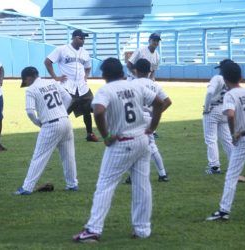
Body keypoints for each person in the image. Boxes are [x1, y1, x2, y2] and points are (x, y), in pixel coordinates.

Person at [73, 58, 163, 242]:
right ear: (121, 72)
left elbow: (98, 111)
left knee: (105, 185)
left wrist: (105, 136)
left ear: (105, 74)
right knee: (142, 185)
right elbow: (160, 103)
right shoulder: (135, 85)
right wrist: (152, 127)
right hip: (142, 139)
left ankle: (93, 229)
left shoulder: (106, 90)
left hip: (122, 142)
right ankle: (142, 230)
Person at [206, 62, 245, 221]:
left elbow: (230, 114)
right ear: (241, 77)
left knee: (232, 174)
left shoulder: (230, 94)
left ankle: (224, 211)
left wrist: (234, 133)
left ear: (225, 79)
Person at [14, 66, 78, 195]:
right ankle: (72, 184)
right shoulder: (52, 82)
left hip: (50, 125)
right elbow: (69, 98)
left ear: (28, 78)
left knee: (39, 157)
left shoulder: (31, 89)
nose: (25, 84)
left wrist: (38, 122)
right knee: (68, 156)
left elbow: (30, 112)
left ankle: (27, 187)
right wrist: (61, 112)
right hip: (65, 121)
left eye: (25, 81)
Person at [44, 29, 98, 142]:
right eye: (80, 37)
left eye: (84, 38)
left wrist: (86, 77)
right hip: (67, 86)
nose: (83, 40)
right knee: (64, 112)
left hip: (82, 87)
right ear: (73, 37)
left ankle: (90, 134)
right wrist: (55, 77)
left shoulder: (85, 52)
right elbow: (47, 62)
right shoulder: (62, 49)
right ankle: (55, 134)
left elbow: (88, 67)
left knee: (88, 109)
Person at [125, 59, 171, 184]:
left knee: (132, 145)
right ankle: (162, 174)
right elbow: (168, 101)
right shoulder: (154, 85)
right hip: (150, 117)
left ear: (136, 70)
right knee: (151, 146)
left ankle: (134, 175)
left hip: (137, 118)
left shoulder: (133, 83)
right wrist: (156, 113)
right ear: (150, 71)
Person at [203, 59, 234, 174]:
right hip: (226, 109)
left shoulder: (217, 78)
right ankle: (234, 164)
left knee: (211, 139)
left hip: (213, 109)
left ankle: (214, 166)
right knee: (227, 140)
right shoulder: (231, 80)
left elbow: (210, 93)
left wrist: (206, 109)